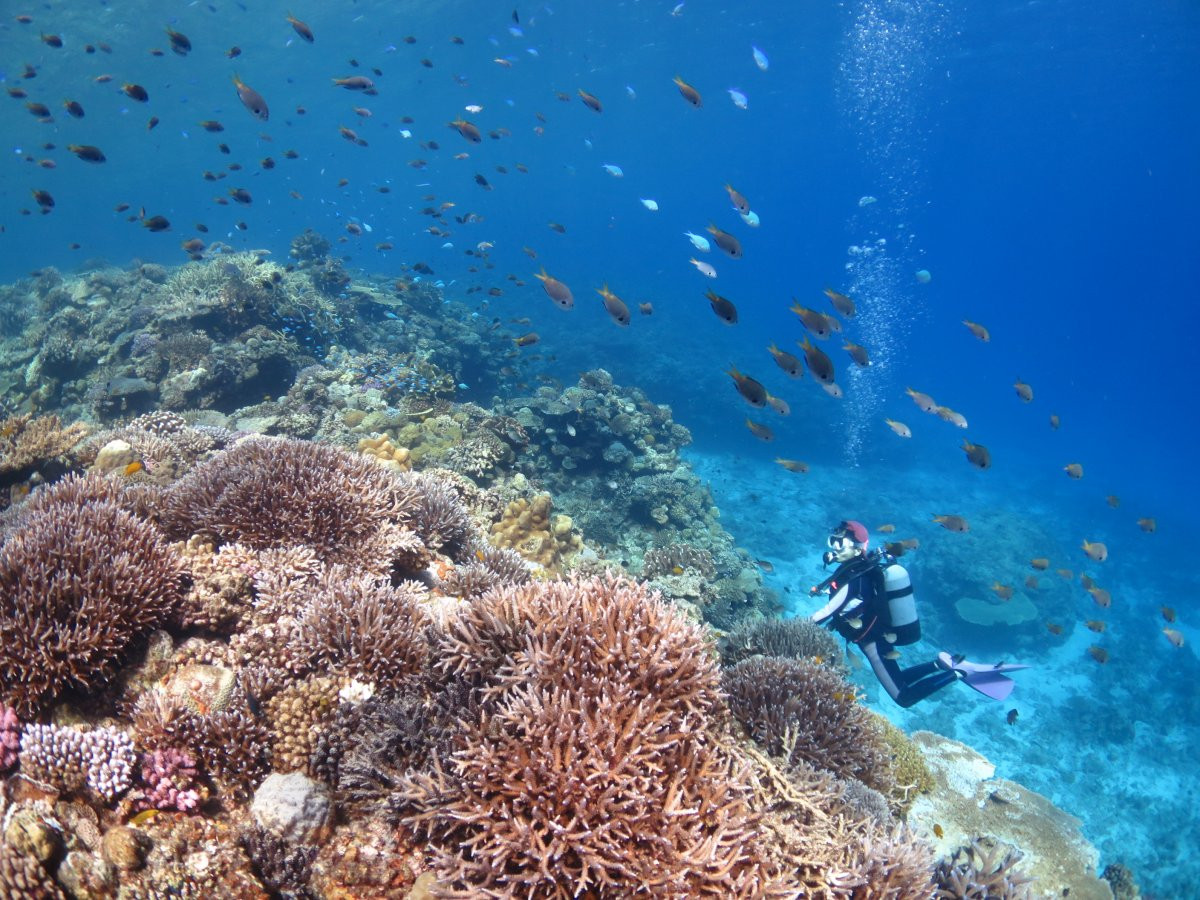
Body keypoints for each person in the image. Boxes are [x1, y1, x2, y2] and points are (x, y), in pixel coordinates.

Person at [808, 520, 1025, 707]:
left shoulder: (855, 575)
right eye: (832, 542)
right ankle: (938, 664)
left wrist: (804, 624)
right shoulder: (856, 570)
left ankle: (958, 673)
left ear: (857, 549)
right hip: (877, 635)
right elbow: (849, 601)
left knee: (903, 697)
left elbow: (830, 609)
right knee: (899, 678)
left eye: (839, 544)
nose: (834, 549)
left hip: (873, 643)